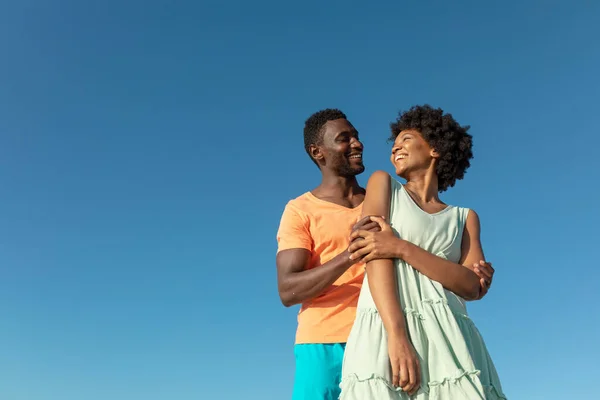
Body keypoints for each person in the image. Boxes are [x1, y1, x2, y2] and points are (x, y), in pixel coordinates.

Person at [276, 108, 495, 400]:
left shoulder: (389, 199)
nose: (357, 143)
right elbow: (288, 290)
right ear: (318, 152)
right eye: (345, 138)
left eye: (356, 135)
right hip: (326, 339)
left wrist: (473, 278)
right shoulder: (300, 210)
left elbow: (466, 280)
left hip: (393, 328)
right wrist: (353, 253)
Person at [339, 105, 506, 400]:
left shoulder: (464, 218)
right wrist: (397, 336)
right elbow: (374, 256)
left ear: (435, 149)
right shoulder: (384, 185)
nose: (395, 148)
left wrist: (400, 247)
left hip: (450, 336)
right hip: (386, 326)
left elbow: (471, 286)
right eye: (394, 143)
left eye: (405, 139)